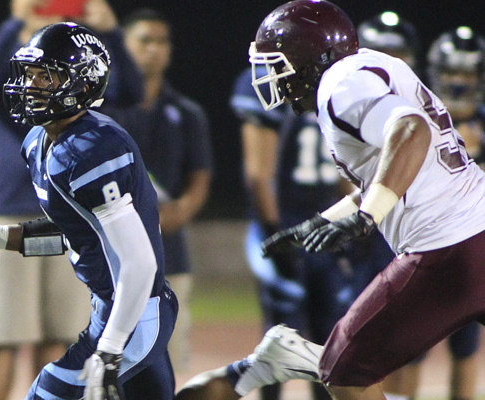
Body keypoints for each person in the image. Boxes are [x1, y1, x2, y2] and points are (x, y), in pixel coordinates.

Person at [178, 0, 485, 399]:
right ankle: (297, 356)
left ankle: (293, 356)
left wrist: (367, 218)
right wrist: (330, 218)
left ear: (309, 61)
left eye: (278, 65)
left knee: (345, 374)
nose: (272, 78)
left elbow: (412, 131)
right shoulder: (374, 65)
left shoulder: (340, 87)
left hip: (445, 248)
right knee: (345, 363)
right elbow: (401, 162)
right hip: (476, 228)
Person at [0, 22, 178, 400]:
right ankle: (259, 366)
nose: (32, 85)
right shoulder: (40, 142)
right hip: (116, 309)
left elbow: (140, 263)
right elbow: (73, 233)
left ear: (84, 85)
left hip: (135, 316)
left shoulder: (91, 149)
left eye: (47, 76)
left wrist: (108, 351)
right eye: (30, 74)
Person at [230, 61, 392, 399]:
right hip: (304, 221)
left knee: (319, 339)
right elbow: (261, 175)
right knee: (300, 337)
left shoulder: (318, 87)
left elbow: (260, 173)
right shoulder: (331, 85)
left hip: (313, 220)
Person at [366, 20, 484, 400]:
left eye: (466, 73)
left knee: (465, 347)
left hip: (468, 243)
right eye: (450, 72)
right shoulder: (420, 112)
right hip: (422, 244)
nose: (458, 82)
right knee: (408, 349)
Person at [102, 8, 213, 373]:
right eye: (144, 40)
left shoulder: (186, 112)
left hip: (169, 253)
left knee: (164, 358)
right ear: (124, 46)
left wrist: (181, 211)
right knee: (105, 357)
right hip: (108, 256)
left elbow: (200, 174)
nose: (154, 49)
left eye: (161, 41)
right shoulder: (103, 111)